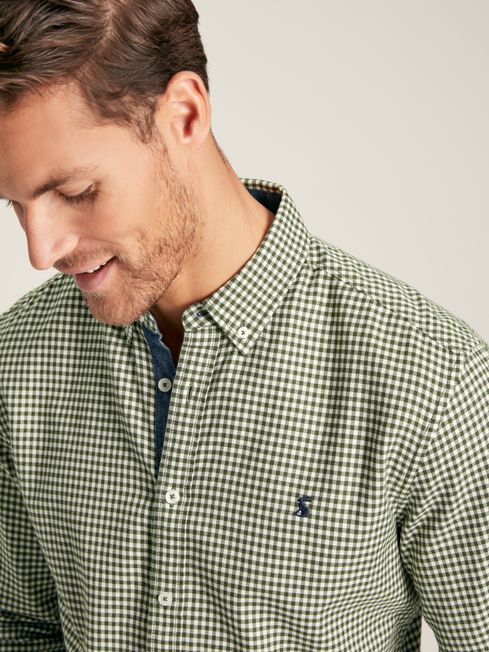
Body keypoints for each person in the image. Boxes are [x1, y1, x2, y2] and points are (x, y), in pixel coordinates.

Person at [0, 1, 487, 650]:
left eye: (76, 192)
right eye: (15, 204)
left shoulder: (433, 381)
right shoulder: (17, 359)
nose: (41, 250)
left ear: (185, 115)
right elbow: (20, 628)